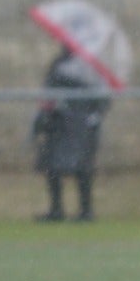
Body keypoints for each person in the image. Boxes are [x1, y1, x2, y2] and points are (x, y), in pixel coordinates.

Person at [29, 46, 110, 222]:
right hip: (58, 121)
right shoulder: (60, 64)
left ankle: (86, 210)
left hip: (82, 124)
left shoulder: (93, 66)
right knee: (53, 167)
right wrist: (44, 114)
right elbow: (49, 91)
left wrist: (92, 116)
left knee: (83, 167)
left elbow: (103, 98)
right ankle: (56, 209)